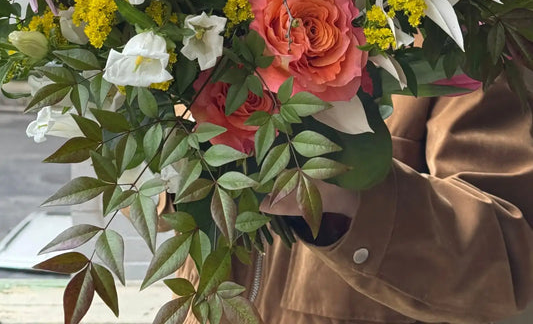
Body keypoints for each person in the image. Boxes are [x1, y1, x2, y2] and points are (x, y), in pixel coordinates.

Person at [178, 73, 533, 324]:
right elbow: (163, 213)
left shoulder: (457, 33)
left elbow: (508, 261)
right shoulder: (213, 2)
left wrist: (351, 202)